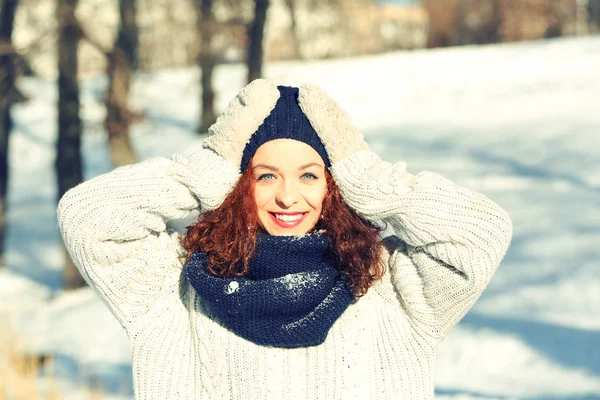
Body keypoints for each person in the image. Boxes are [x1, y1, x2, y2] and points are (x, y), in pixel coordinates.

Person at [57, 79, 512, 399]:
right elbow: (88, 217)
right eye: (266, 175)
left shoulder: (386, 283)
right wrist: (210, 165)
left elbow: (481, 233)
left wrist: (366, 175)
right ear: (238, 184)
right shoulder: (175, 286)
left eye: (310, 175)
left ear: (335, 184)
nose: (288, 196)